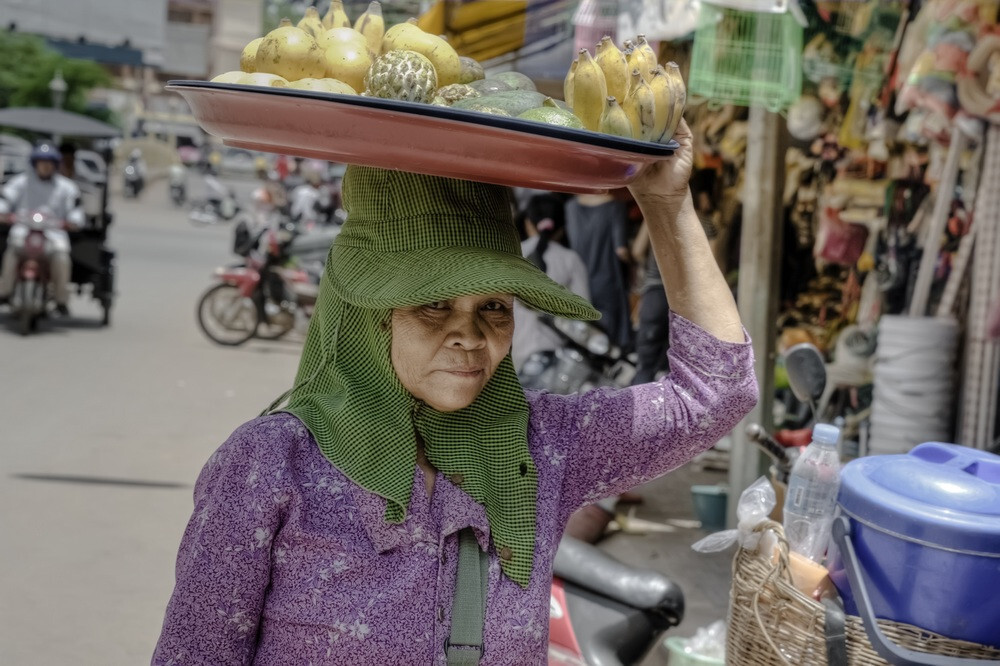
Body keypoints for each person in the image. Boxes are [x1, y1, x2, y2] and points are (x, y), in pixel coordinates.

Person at [151, 120, 757, 665]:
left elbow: (716, 391)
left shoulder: (544, 445)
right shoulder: (269, 464)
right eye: (433, 305)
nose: (469, 337)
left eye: (492, 306)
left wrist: (666, 202)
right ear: (369, 314)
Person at [0, 142, 85, 316]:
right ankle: (5, 291)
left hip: (54, 234)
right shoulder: (21, 181)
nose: (45, 166)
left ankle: (61, 299)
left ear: (55, 165)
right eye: (41, 162)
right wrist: (3, 213)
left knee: (62, 258)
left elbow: (76, 209)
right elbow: (5, 199)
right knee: (12, 252)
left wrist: (73, 221)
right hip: (23, 230)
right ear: (34, 163)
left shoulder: (66, 187)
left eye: (49, 163)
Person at [511, 193, 590, 372]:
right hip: (556, 359)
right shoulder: (571, 259)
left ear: (528, 224)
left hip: (512, 356)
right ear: (562, 228)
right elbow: (583, 318)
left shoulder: (510, 256)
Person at [564, 191, 635, 351]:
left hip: (578, 281)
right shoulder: (615, 206)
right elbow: (621, 250)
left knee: (586, 335)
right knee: (610, 341)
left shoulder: (570, 206)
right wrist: (634, 264)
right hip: (607, 280)